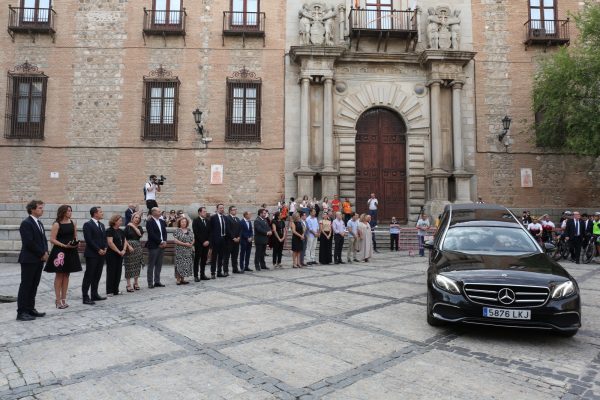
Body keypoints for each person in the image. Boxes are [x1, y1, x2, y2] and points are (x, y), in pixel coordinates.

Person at [44, 205, 82, 309]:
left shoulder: (73, 222)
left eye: (71, 210)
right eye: (68, 211)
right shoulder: (57, 224)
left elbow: (75, 236)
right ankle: (58, 300)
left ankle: (64, 299)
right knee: (59, 275)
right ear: (63, 212)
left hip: (71, 250)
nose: (70, 212)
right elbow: (52, 239)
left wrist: (76, 243)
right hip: (60, 251)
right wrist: (64, 245)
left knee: (67, 275)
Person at [16, 200, 48, 321]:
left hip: (39, 259)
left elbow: (43, 240)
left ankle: (30, 309)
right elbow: (29, 242)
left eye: (42, 207)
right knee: (26, 285)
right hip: (29, 259)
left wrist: (46, 252)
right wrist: (41, 253)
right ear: (32, 209)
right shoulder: (26, 223)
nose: (42, 210)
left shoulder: (39, 223)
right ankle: (21, 312)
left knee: (34, 285)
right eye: (40, 208)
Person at [82, 206, 108, 304]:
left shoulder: (101, 225)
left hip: (101, 254)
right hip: (92, 254)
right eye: (100, 212)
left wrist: (105, 248)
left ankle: (94, 294)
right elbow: (89, 240)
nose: (102, 213)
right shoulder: (88, 225)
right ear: (95, 213)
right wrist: (98, 249)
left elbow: (104, 238)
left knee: (97, 274)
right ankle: (85, 297)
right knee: (89, 275)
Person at [105, 214, 128, 297]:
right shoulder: (109, 230)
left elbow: (125, 241)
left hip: (120, 254)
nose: (121, 221)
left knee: (118, 272)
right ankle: (109, 291)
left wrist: (124, 250)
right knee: (111, 272)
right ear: (114, 221)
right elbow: (110, 243)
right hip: (112, 254)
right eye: (120, 220)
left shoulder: (121, 231)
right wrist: (119, 251)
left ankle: (116, 290)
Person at [146, 207, 167, 288]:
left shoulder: (161, 221)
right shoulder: (149, 222)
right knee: (151, 265)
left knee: (159, 264)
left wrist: (164, 241)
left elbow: (164, 232)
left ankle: (157, 281)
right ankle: (150, 283)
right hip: (154, 246)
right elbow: (151, 234)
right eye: (158, 211)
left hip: (162, 246)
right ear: (153, 212)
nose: (160, 212)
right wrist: (160, 242)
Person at [123, 212, 144, 292]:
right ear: (132, 218)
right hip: (129, 247)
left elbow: (139, 234)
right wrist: (128, 246)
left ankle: (136, 283)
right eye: (136, 217)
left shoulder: (139, 227)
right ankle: (128, 284)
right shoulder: (127, 227)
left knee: (137, 265)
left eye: (138, 218)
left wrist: (133, 226)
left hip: (137, 247)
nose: (137, 219)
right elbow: (124, 238)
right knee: (129, 265)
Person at [173, 217, 194, 285]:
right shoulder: (177, 230)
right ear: (179, 223)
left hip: (188, 251)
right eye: (182, 222)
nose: (183, 223)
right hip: (180, 250)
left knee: (185, 265)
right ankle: (178, 279)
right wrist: (185, 244)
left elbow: (193, 238)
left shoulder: (189, 230)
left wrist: (191, 244)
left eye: (185, 222)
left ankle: (183, 279)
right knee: (179, 264)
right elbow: (175, 240)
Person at [209, 204, 228, 278]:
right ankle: (213, 272)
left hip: (223, 239)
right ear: (217, 209)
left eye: (223, 208)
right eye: (220, 208)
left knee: (221, 257)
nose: (222, 209)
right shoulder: (213, 218)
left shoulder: (225, 218)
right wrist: (211, 242)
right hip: (215, 240)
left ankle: (219, 272)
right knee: (214, 257)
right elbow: (210, 230)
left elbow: (227, 229)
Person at [192, 207, 211, 281]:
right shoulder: (196, 221)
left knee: (204, 259)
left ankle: (202, 274)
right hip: (199, 244)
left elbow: (210, 232)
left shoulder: (207, 220)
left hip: (207, 243)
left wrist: (208, 241)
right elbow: (196, 233)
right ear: (199, 212)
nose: (205, 213)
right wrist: (203, 241)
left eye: (206, 211)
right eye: (204, 211)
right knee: (197, 260)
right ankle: (196, 276)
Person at [224, 205, 242, 274]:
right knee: (227, 257)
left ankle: (235, 269)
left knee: (235, 256)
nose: (235, 211)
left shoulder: (237, 219)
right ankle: (226, 270)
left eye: (236, 209)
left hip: (237, 241)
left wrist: (239, 237)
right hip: (229, 241)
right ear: (230, 211)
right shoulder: (227, 218)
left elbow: (240, 229)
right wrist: (233, 238)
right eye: (234, 210)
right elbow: (228, 229)